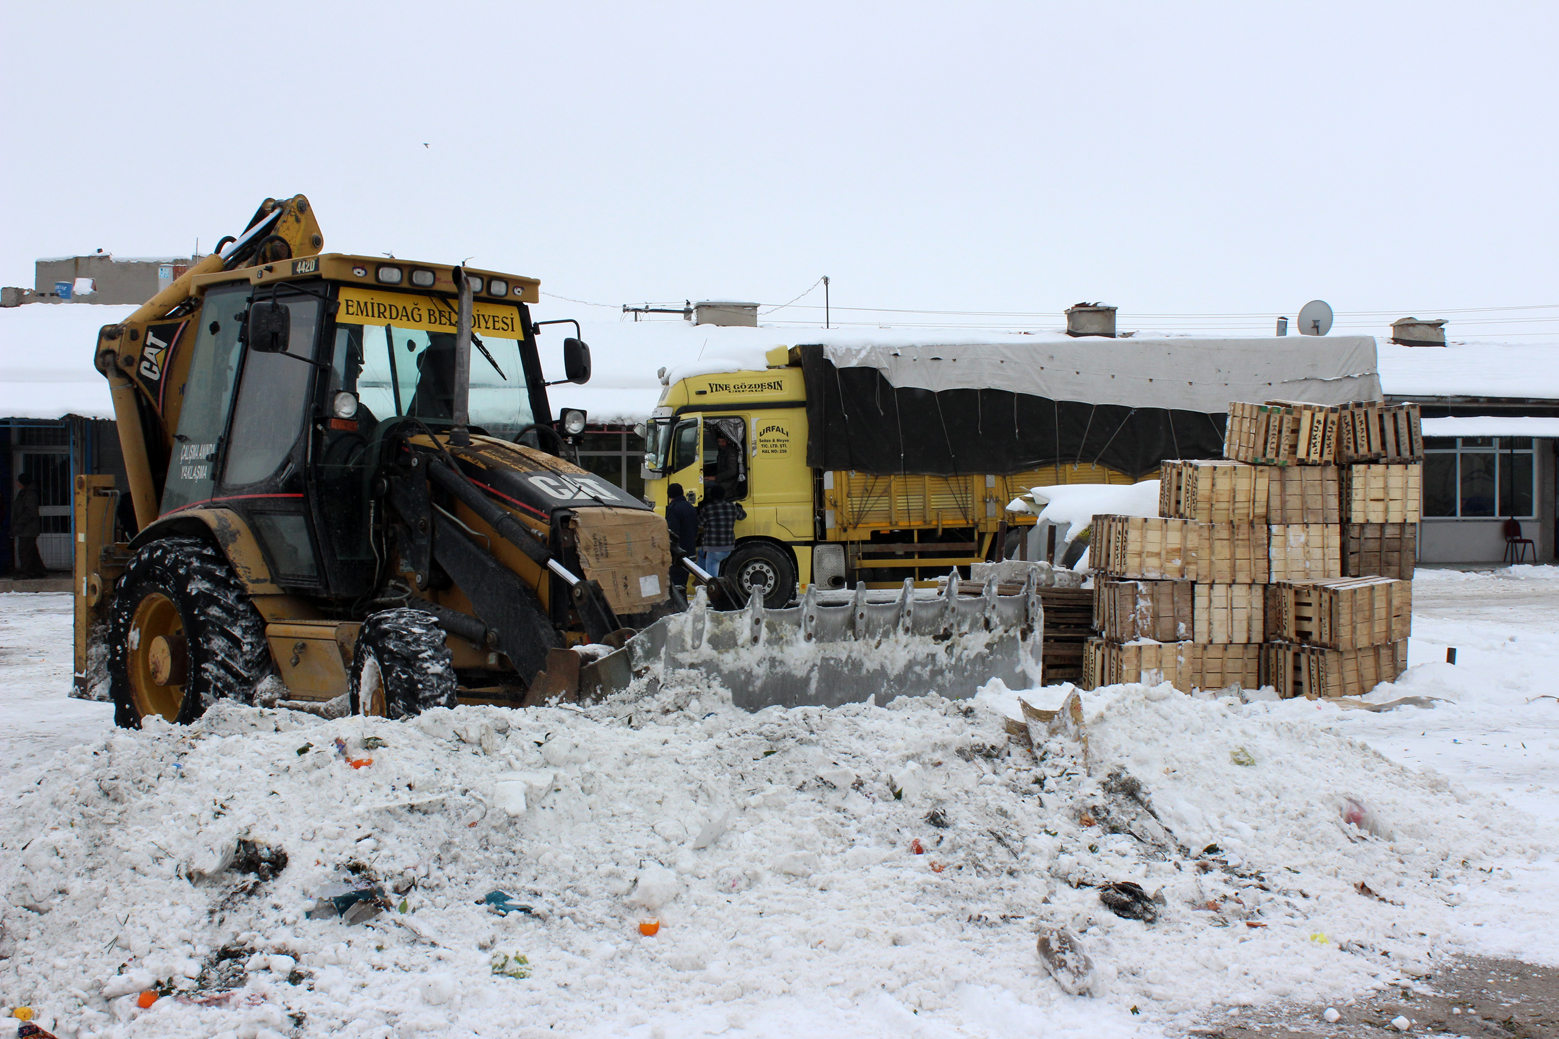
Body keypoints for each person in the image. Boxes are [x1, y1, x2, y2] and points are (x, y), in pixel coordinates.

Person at [696, 484, 745, 576]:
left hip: (713, 546)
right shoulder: (732, 507)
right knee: (701, 551)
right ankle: (699, 577)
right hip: (728, 546)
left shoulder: (708, 508)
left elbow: (699, 524)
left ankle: (708, 585)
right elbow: (743, 516)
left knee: (711, 576)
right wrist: (739, 507)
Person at [664, 482, 699, 592]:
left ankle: (679, 607)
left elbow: (672, 532)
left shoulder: (674, 509)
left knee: (676, 586)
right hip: (690, 551)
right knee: (683, 583)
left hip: (678, 553)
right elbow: (695, 528)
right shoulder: (690, 507)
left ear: (669, 495)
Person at [12, 472, 46, 580]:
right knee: (31, 550)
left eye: (18, 481)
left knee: (25, 550)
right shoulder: (25, 493)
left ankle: (28, 572)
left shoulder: (29, 494)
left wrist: (20, 522)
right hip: (27, 528)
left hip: (28, 529)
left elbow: (31, 512)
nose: (17, 483)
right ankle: (39, 570)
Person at [712, 430, 741, 500]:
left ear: (727, 441)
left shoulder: (731, 452)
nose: (721, 444)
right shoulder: (723, 451)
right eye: (719, 442)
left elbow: (732, 471)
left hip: (728, 482)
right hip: (723, 480)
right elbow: (721, 468)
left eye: (723, 441)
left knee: (703, 485)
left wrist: (716, 477)